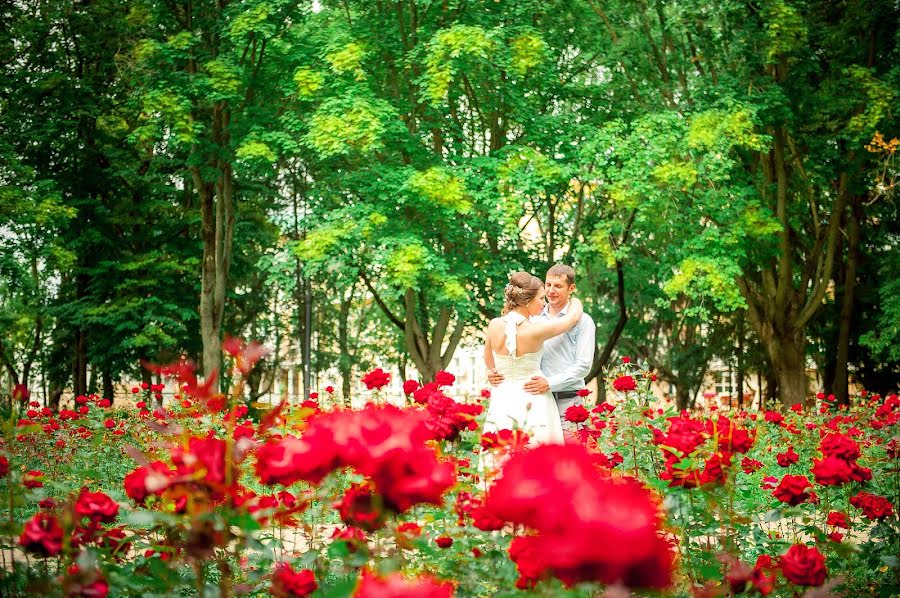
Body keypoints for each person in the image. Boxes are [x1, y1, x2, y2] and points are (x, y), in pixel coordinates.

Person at [488, 264, 595, 434]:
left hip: (568, 402)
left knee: (569, 457)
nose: (551, 291)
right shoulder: (532, 319)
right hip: (535, 401)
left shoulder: (583, 321)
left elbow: (583, 366)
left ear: (571, 288)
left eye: (558, 286)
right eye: (548, 285)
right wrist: (494, 372)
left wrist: (549, 384)